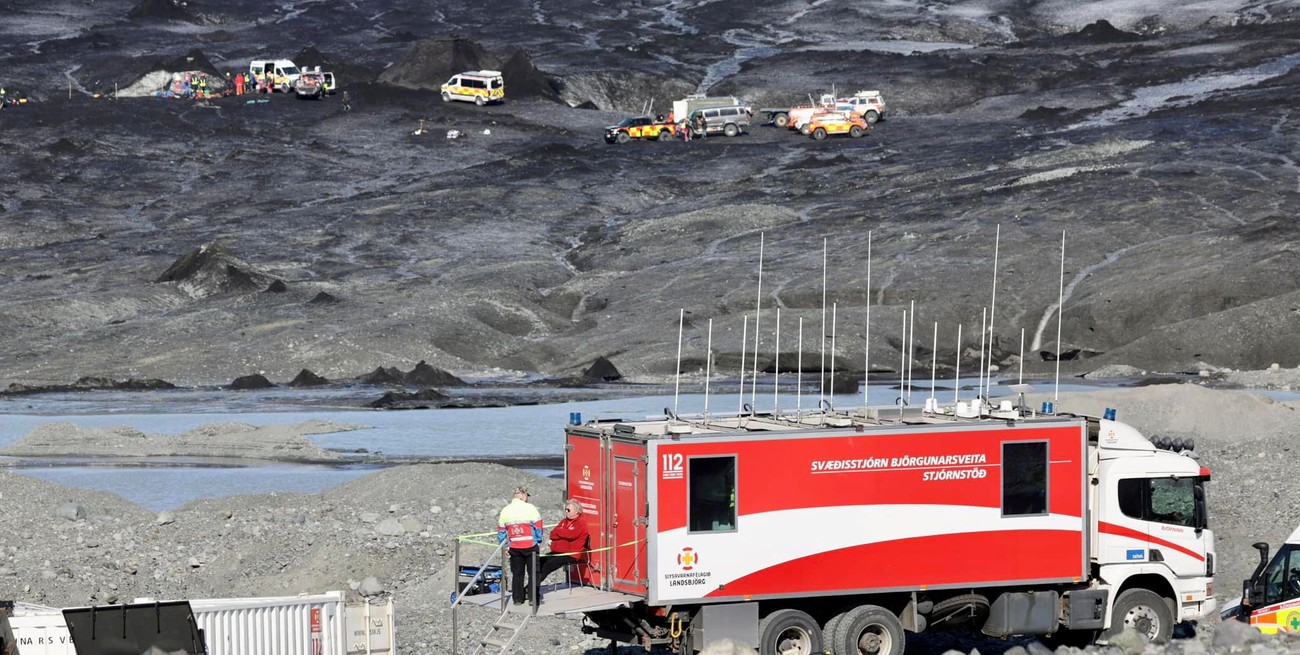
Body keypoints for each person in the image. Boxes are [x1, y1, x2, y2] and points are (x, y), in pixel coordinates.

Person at [535, 499, 590, 600]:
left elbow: (571, 535)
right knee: (538, 562)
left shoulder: (581, 523)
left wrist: (560, 532)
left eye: (568, 510)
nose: (566, 512)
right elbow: (552, 534)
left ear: (577, 511)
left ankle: (532, 589)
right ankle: (532, 588)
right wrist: (562, 532)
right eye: (565, 509)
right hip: (557, 551)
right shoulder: (564, 522)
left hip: (570, 554)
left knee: (548, 566)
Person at [497, 485, 543, 605]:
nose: (527, 498)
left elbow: (501, 531)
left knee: (517, 574)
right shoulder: (530, 508)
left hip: (515, 546)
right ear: (523, 495)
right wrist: (538, 540)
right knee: (534, 573)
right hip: (530, 545)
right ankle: (533, 599)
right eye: (527, 495)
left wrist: (506, 545)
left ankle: (517, 599)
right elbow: (538, 526)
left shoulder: (506, 510)